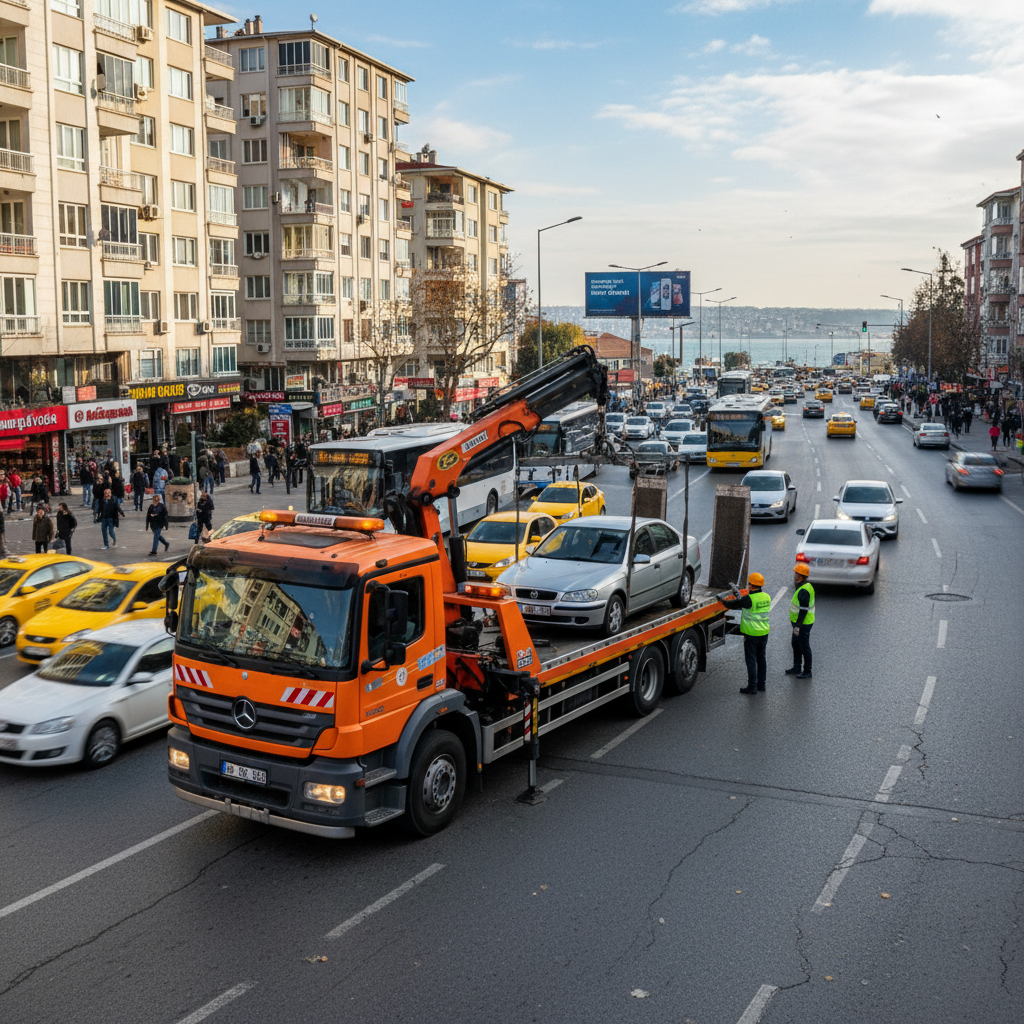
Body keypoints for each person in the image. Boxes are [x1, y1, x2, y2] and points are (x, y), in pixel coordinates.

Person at [719, 572, 772, 694]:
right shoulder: (766, 597)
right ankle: (761, 685)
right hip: (764, 632)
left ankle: (752, 687)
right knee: (761, 658)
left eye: (749, 584)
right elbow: (743, 602)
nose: (748, 586)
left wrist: (722, 601)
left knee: (751, 660)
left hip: (752, 634)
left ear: (752, 585)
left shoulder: (749, 599)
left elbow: (735, 604)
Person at [786, 564, 815, 679]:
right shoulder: (805, 586)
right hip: (800, 622)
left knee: (804, 646)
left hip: (803, 623)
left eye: (796, 573)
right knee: (796, 644)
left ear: (800, 576)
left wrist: (797, 626)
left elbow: (803, 610)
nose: (794, 575)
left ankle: (807, 671)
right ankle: (797, 667)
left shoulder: (804, 590)